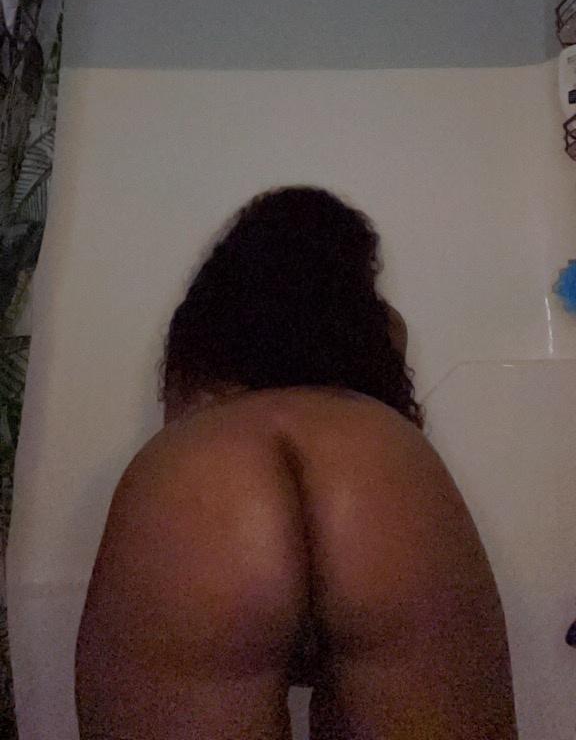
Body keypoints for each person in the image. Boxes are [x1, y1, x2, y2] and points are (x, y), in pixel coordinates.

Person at [75, 185, 518, 739]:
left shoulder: (200, 324)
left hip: (208, 473)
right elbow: (400, 410)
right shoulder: (381, 326)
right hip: (372, 460)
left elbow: (182, 417)